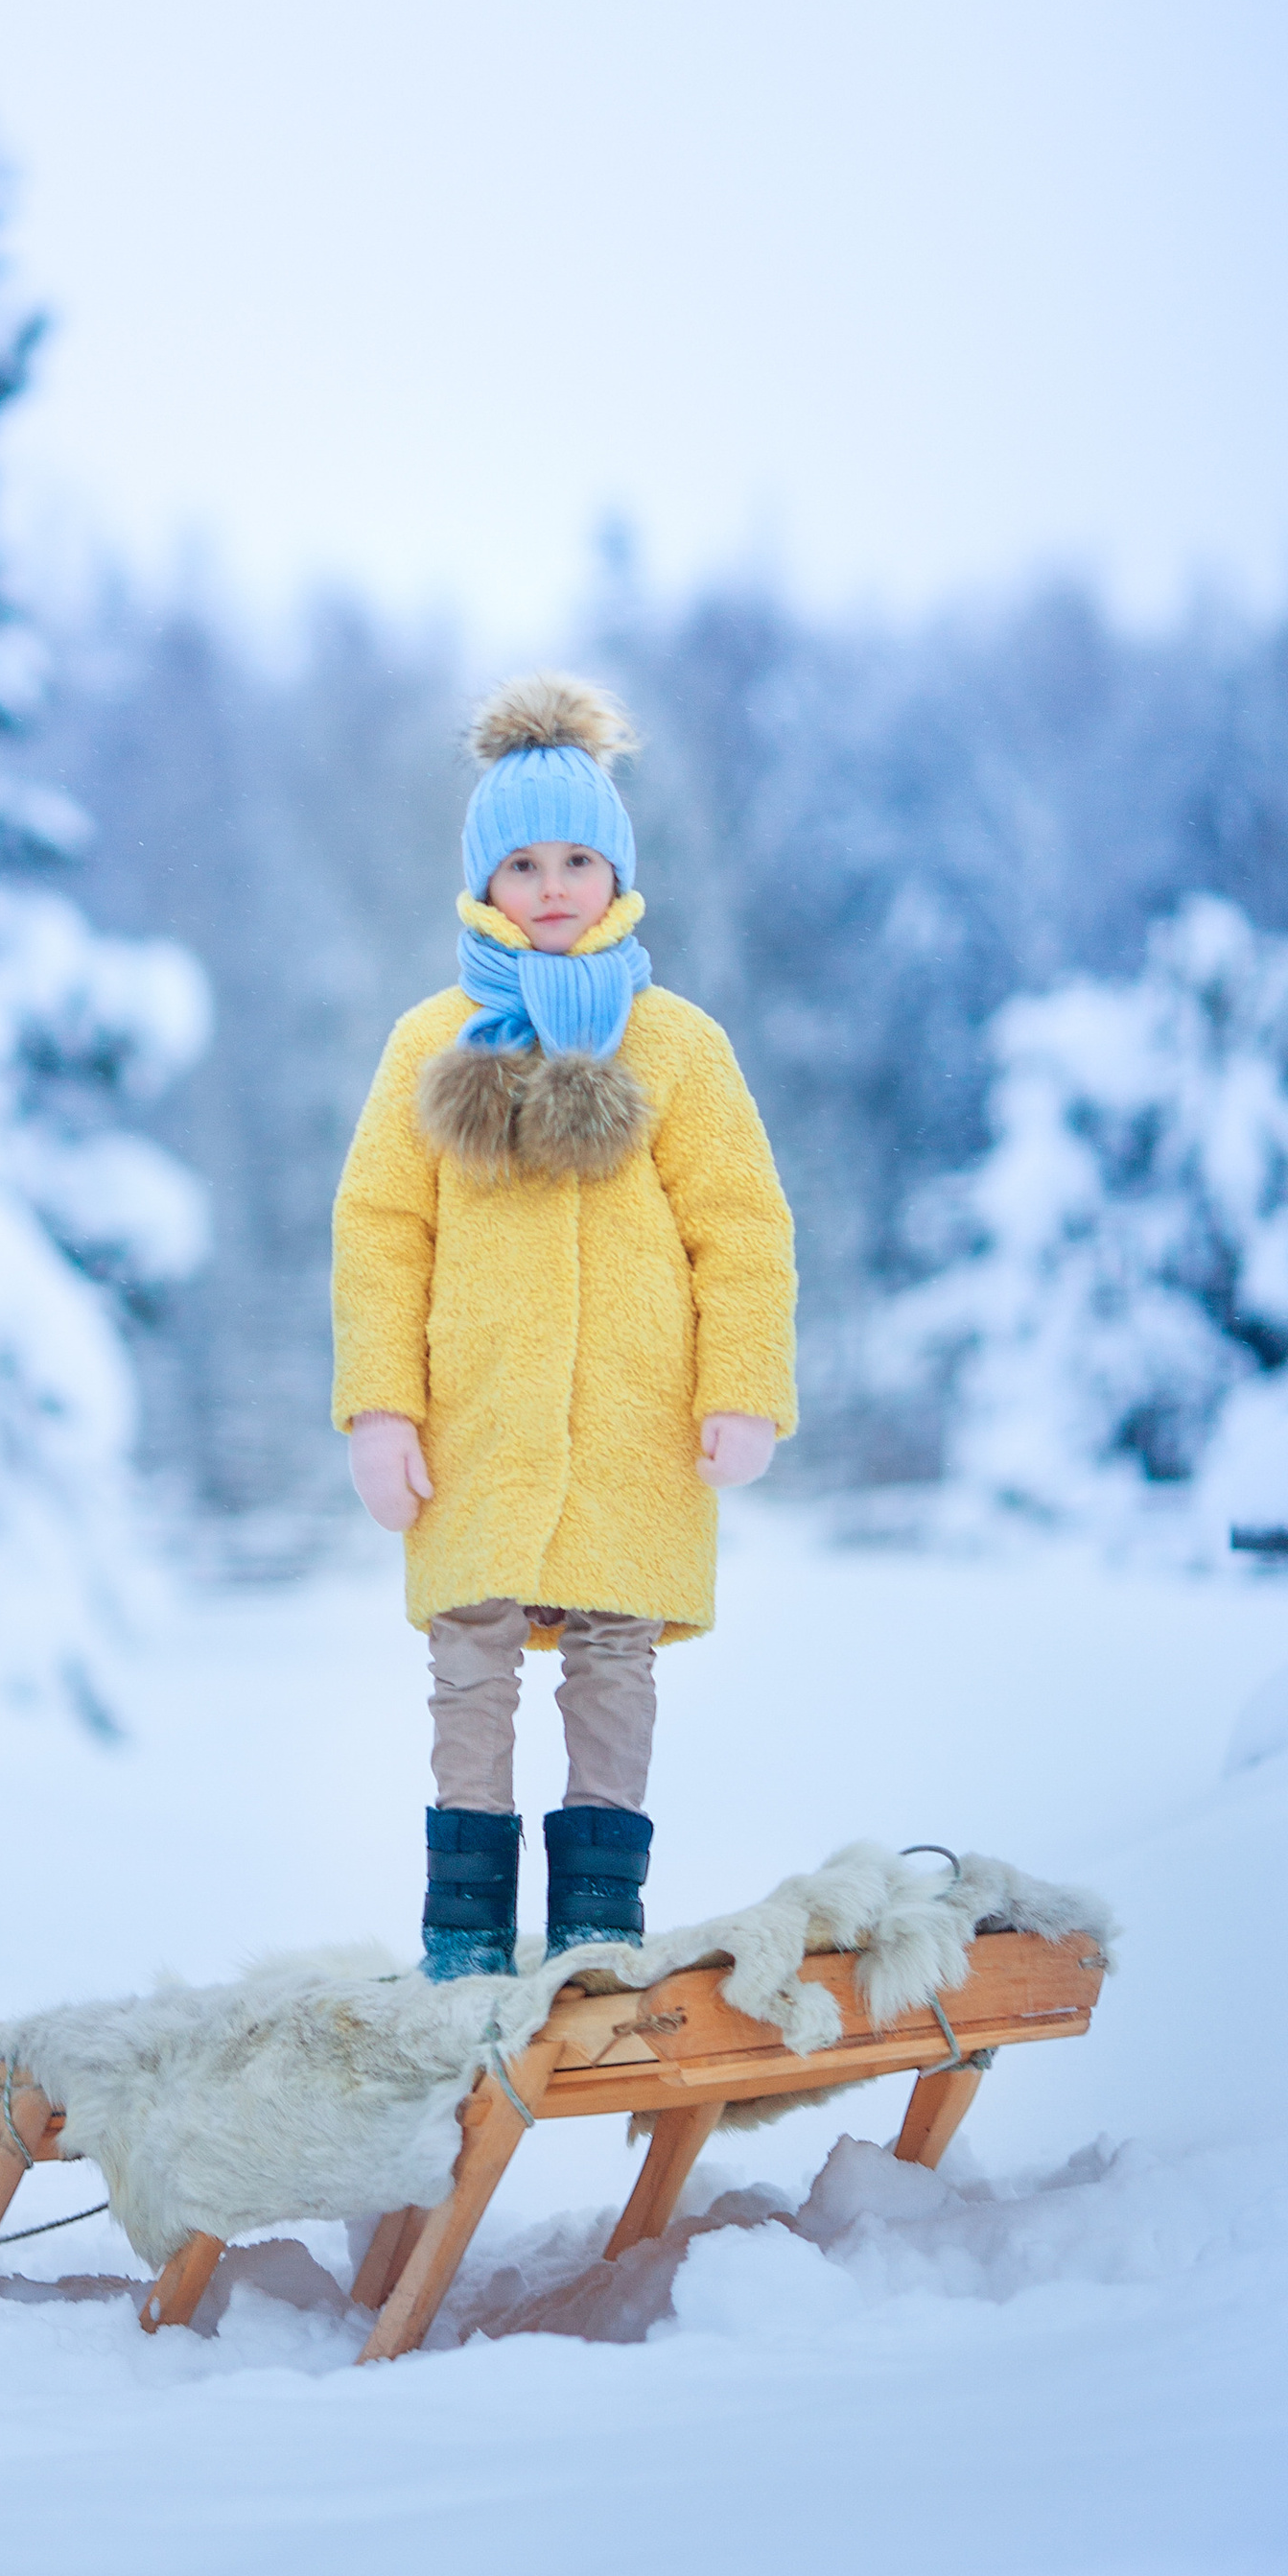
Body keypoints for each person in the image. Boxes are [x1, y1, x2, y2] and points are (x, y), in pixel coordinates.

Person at [331, 674, 796, 1974]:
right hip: (478, 1424)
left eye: (577, 859)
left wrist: (741, 1386)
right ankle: (467, 1923)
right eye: (523, 862)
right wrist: (382, 1405)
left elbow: (743, 1228)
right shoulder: (431, 1041)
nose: (550, 886)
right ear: (485, 881)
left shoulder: (677, 1046)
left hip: (632, 1428)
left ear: (617, 872)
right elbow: (380, 1229)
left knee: (612, 1656)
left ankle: (599, 1920)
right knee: (471, 1662)